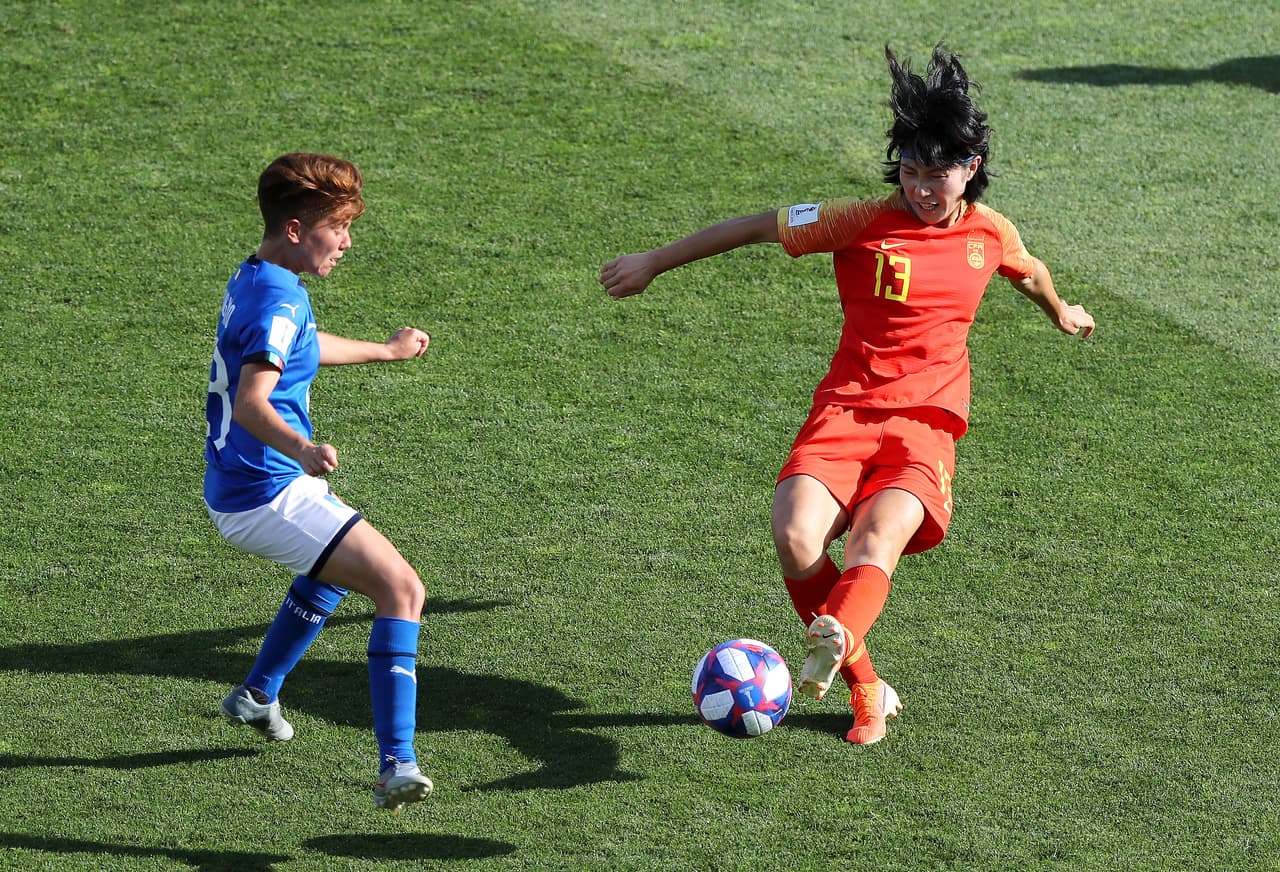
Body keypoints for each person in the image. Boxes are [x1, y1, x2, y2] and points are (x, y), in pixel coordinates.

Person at [599, 46, 1095, 745]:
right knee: (795, 536)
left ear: (970, 169)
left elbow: (1028, 270)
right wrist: (653, 261)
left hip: (925, 425)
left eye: (937, 175)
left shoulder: (990, 232)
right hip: (845, 410)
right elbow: (757, 226)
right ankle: (865, 677)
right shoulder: (856, 219)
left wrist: (1061, 310)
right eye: (911, 171)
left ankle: (851, 670)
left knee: (873, 540)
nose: (921, 188)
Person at [204, 153, 434, 810]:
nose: (347, 242)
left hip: (246, 484)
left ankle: (258, 694)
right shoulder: (278, 298)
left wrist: (385, 351)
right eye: (339, 227)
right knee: (402, 588)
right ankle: (396, 764)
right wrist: (302, 448)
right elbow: (253, 402)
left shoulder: (259, 277)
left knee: (335, 569)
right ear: (298, 229)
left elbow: (297, 343)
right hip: (267, 492)